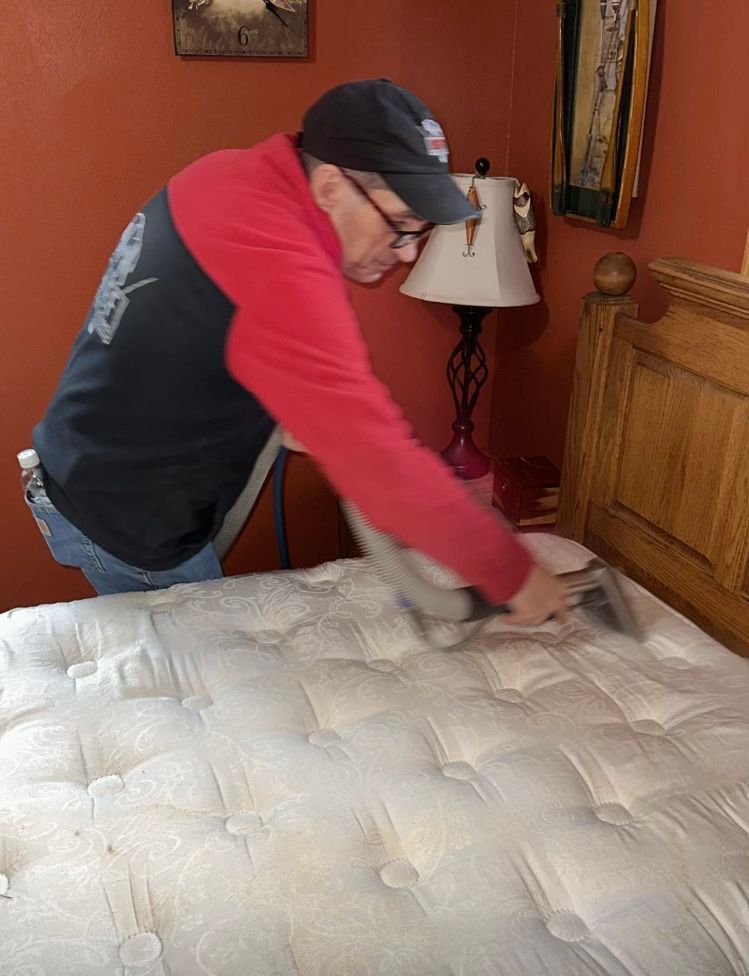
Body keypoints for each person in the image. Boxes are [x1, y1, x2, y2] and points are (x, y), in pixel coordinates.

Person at [28, 78, 566, 625]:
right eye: (400, 226)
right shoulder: (277, 261)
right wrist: (514, 573)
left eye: (421, 232)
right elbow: (382, 467)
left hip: (86, 462)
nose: (406, 253)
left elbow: (201, 320)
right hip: (122, 513)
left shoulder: (230, 174)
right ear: (332, 185)